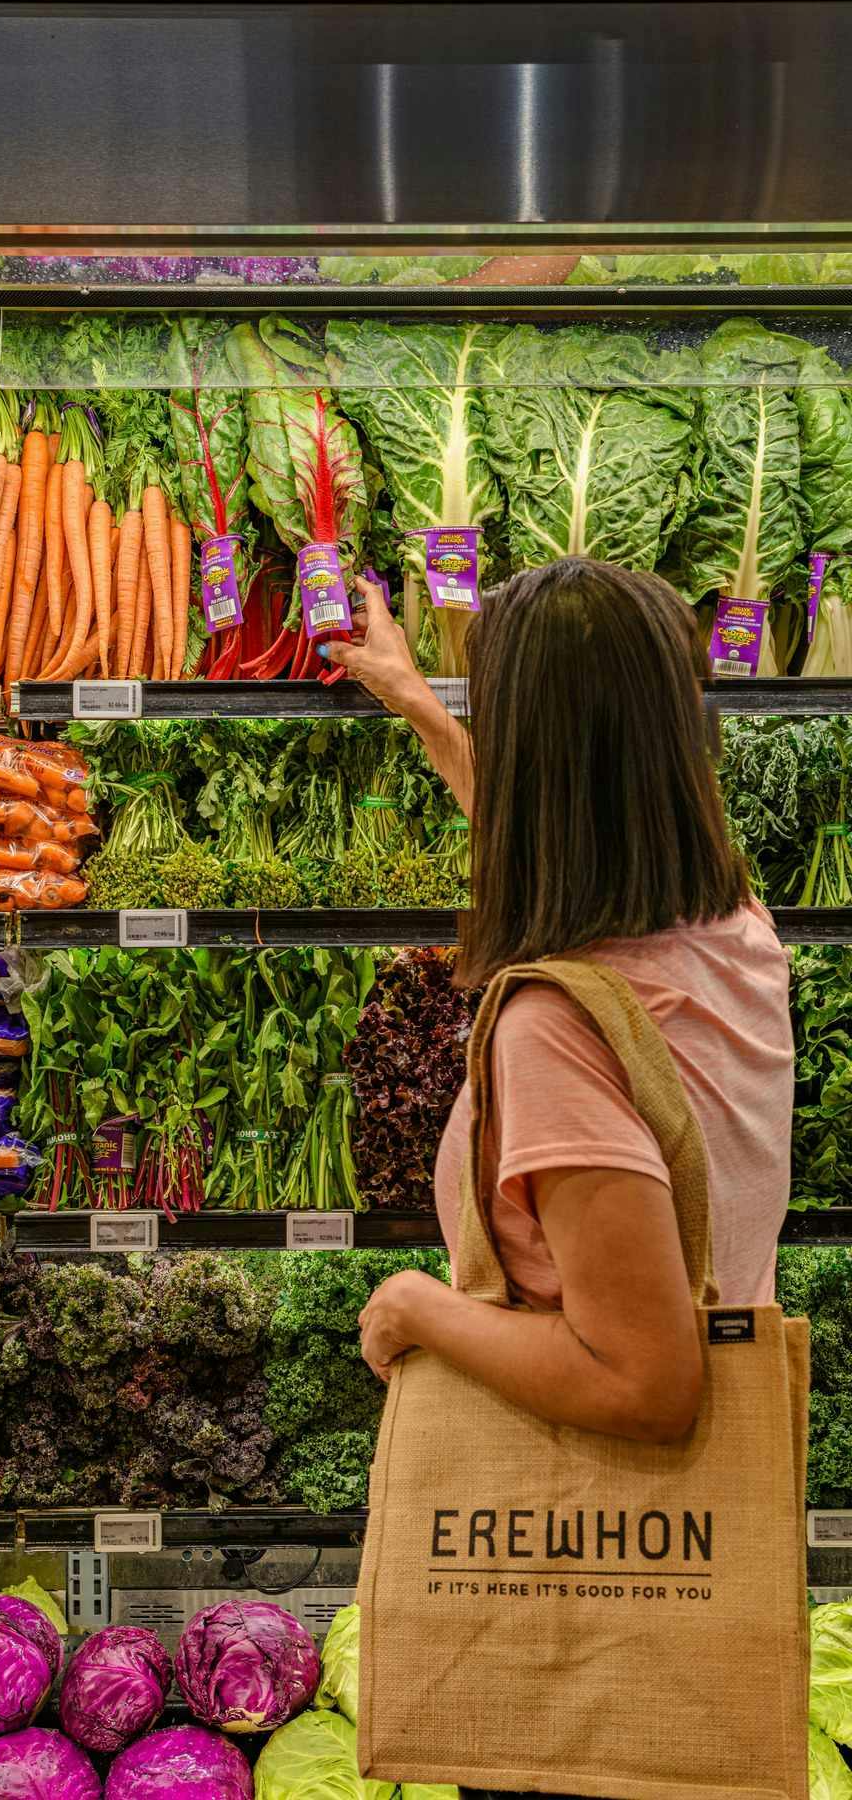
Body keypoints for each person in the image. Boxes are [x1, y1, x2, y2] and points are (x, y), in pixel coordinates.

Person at [323, 559, 794, 1800]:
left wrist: (421, 1309)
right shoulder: (731, 929)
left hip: (576, 1598)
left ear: (531, 754)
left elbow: (650, 1382)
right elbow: (574, 839)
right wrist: (419, 702)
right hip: (685, 1579)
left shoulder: (557, 1029)